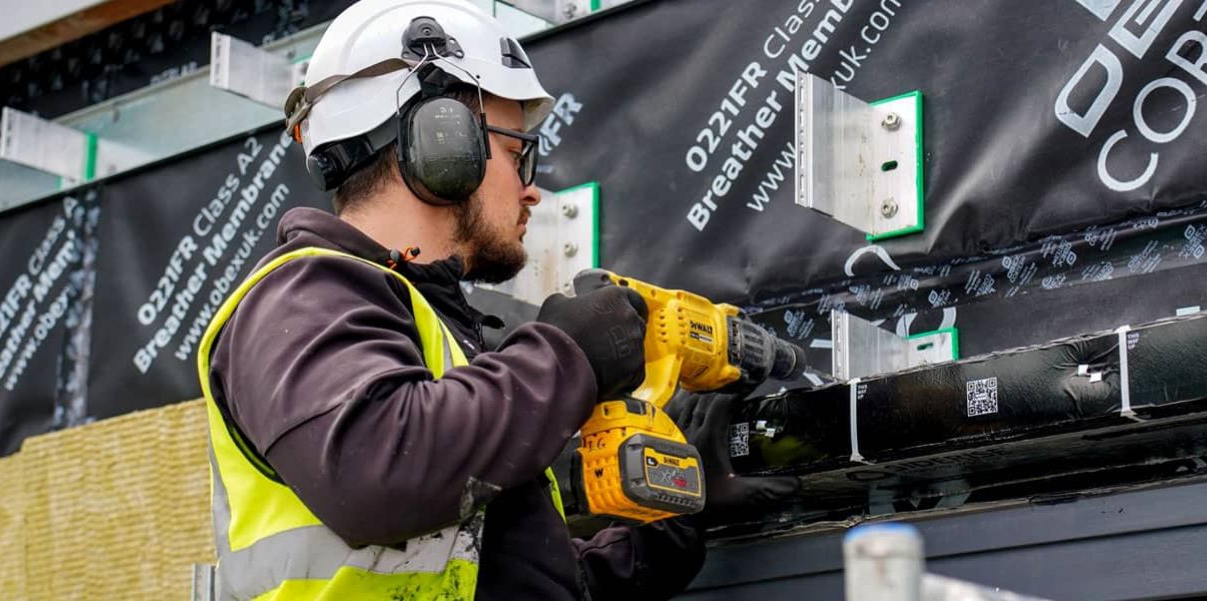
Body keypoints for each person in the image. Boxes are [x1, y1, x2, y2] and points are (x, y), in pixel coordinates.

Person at [196, 1, 794, 599]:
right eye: (516, 154)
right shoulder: (300, 297)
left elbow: (524, 584)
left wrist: (672, 518)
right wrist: (570, 356)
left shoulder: (439, 338)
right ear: (442, 141)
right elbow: (380, 472)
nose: (532, 190)